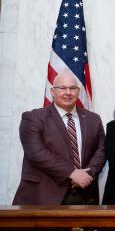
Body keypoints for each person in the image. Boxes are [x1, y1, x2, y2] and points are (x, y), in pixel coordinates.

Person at [13, 71, 105, 205]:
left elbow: (101, 150)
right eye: (62, 88)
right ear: (52, 91)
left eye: (73, 88)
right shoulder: (33, 118)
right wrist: (72, 173)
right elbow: (35, 153)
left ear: (78, 91)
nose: (68, 92)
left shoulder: (93, 119)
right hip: (44, 195)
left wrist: (87, 175)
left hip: (84, 195)